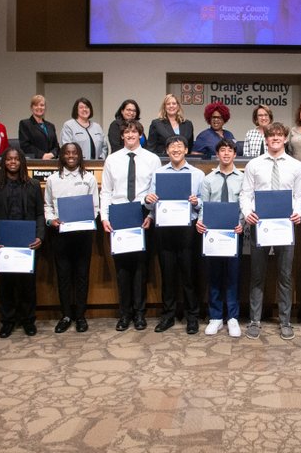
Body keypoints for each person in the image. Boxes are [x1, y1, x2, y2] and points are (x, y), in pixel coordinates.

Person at [239, 121, 301, 340]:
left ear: (285, 138)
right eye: (271, 135)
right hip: (260, 225)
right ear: (265, 139)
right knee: (257, 275)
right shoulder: (254, 165)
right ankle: (255, 320)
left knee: (285, 276)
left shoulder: (296, 166)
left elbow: (298, 196)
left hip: (285, 226)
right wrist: (248, 213)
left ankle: (285, 321)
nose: (275, 138)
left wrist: (298, 213)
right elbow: (246, 194)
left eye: (279, 135)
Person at [100, 120, 161, 330]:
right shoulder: (112, 159)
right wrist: (105, 217)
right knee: (122, 269)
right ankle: (124, 314)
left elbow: (156, 191)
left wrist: (151, 215)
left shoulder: (152, 159)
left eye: (134, 132)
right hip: (119, 214)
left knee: (141, 269)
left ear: (140, 135)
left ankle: (140, 313)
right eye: (127, 132)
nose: (130, 135)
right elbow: (106, 191)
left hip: (141, 213)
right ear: (122, 136)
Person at [0, 145, 44, 338]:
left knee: (27, 284)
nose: (13, 162)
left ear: (22, 162)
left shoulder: (33, 185)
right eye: (9, 159)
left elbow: (40, 214)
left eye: (16, 159)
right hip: (3, 244)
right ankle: (8, 321)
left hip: (28, 243)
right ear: (4, 162)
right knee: (7, 285)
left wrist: (40, 236)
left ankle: (28, 320)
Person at [146, 136, 203, 334]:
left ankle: (192, 317)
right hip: (164, 228)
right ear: (167, 151)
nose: (176, 149)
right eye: (172, 146)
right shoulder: (158, 173)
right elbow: (149, 202)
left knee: (189, 274)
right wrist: (148, 199)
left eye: (180, 146)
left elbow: (204, 202)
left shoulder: (197, 174)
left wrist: (196, 202)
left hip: (188, 228)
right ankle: (168, 316)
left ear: (186, 150)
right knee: (167, 274)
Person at [44, 142, 100, 334]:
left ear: (79, 155)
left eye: (74, 152)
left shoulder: (89, 178)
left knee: (82, 275)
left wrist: (88, 218)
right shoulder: (52, 179)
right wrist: (51, 221)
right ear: (62, 155)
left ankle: (80, 316)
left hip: (82, 235)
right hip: (60, 235)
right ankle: (66, 315)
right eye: (67, 153)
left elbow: (95, 207)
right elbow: (47, 206)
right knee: (64, 275)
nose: (71, 156)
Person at [198, 137, 245, 337]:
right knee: (215, 275)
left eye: (229, 150)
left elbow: (245, 205)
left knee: (233, 276)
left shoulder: (243, 179)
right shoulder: (208, 179)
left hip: (234, 233)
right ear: (217, 154)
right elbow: (203, 205)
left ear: (235, 154)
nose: (226, 153)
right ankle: (216, 317)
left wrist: (241, 223)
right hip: (213, 235)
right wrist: (200, 222)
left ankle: (233, 317)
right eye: (222, 150)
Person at [60, 97, 108, 161]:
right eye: (81, 107)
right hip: (77, 165)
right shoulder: (69, 125)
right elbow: (66, 147)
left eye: (87, 107)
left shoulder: (97, 127)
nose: (84, 109)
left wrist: (101, 159)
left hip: (97, 165)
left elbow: (104, 147)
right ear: (76, 110)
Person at [17, 94, 59, 160]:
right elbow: (25, 145)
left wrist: (52, 154)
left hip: (51, 161)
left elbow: (56, 146)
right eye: (36, 105)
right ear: (31, 107)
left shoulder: (51, 126)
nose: (39, 107)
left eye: (42, 105)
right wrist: (42, 155)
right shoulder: (25, 124)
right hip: (35, 161)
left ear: (45, 108)